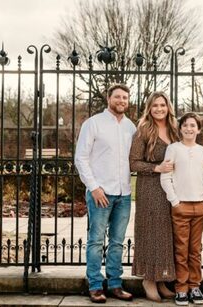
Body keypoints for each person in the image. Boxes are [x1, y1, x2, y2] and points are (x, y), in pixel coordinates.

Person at [74, 84, 136, 303]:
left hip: (124, 193)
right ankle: (95, 286)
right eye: (117, 96)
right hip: (100, 192)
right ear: (109, 98)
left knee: (118, 242)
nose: (121, 100)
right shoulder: (93, 124)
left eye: (125, 97)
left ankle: (115, 285)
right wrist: (94, 187)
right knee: (96, 241)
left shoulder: (130, 127)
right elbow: (81, 158)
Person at [129, 91, 179, 302]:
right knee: (150, 232)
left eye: (163, 105)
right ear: (149, 108)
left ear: (169, 107)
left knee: (166, 234)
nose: (159, 109)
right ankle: (148, 279)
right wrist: (156, 167)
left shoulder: (175, 129)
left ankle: (161, 279)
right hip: (150, 187)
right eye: (155, 105)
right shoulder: (143, 130)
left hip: (172, 189)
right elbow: (133, 162)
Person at [161, 112, 203, 306]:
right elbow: (166, 177)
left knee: (195, 250)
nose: (189, 129)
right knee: (181, 250)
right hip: (180, 206)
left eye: (193, 125)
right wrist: (175, 202)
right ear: (180, 128)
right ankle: (181, 288)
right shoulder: (173, 149)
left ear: (198, 129)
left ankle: (194, 286)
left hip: (200, 206)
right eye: (186, 125)